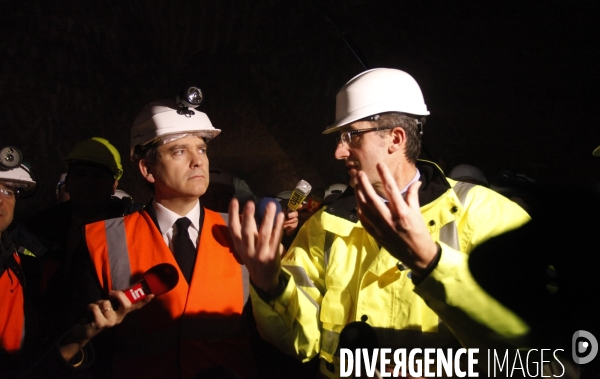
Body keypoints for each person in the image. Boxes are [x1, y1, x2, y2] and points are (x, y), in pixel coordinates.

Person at [228, 68, 533, 377]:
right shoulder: (326, 225)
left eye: (351, 136)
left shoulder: (487, 215)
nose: (338, 151)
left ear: (396, 138)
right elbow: (303, 343)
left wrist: (432, 263)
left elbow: (534, 352)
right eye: (339, 138)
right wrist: (269, 286)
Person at [71, 88, 255, 378]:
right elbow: (79, 346)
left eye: (202, 149)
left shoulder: (244, 231)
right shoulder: (99, 241)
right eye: (180, 151)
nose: (198, 161)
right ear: (147, 169)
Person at [0, 146, 152, 377]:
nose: (88, 183)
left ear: (113, 186)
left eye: (98, 176)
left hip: (111, 352)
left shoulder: (134, 231)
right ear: (68, 183)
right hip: (42, 352)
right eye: (81, 174)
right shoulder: (34, 231)